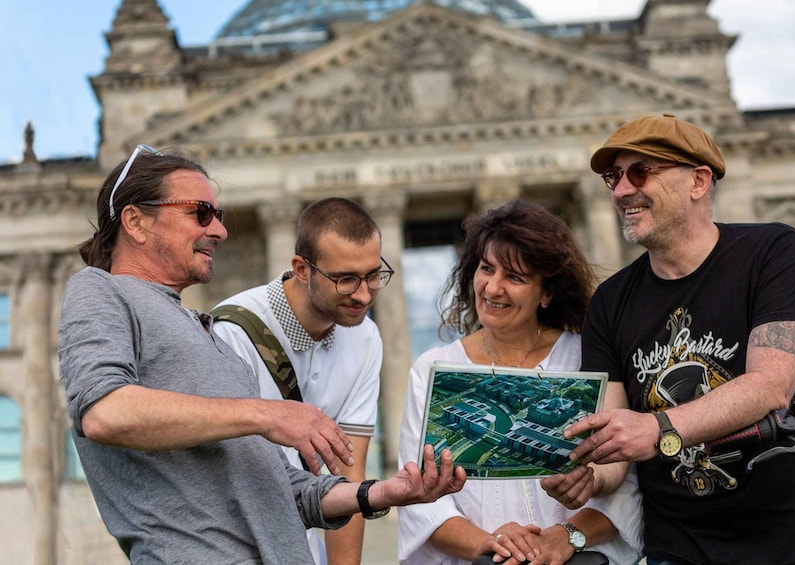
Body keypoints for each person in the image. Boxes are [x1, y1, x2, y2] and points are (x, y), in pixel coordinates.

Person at [58, 145, 466, 564]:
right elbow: (104, 412)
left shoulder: (211, 335)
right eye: (200, 213)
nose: (219, 230)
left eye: (219, 216)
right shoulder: (99, 290)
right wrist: (268, 414)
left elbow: (287, 494)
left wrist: (384, 492)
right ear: (136, 221)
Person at [553, 113, 795, 564]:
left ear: (698, 181)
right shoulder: (609, 303)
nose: (620, 191)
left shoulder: (774, 252)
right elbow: (614, 442)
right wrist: (589, 478)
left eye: (640, 171)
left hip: (794, 543)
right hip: (678, 549)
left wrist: (656, 428)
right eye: (613, 177)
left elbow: (771, 387)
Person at [397, 199, 643, 565]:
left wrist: (565, 538)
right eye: (486, 269)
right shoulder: (431, 368)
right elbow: (420, 503)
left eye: (514, 277)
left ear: (546, 293)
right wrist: (492, 543)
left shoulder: (586, 360)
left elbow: (624, 484)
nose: (493, 288)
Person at [212, 196, 389, 565]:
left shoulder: (366, 337)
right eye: (345, 279)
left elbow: (349, 472)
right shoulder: (231, 333)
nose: (363, 294)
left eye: (373, 275)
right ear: (301, 269)